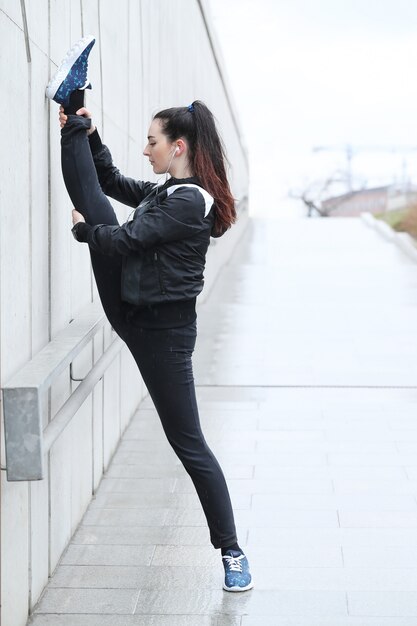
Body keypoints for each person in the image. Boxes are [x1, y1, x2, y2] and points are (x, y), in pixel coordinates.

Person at [45, 35, 253, 592]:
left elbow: (123, 240)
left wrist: (86, 231)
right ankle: (72, 107)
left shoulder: (191, 202)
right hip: (133, 305)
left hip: (161, 332)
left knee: (188, 443)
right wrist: (93, 135)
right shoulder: (171, 192)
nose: (148, 150)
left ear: (179, 146)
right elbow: (112, 181)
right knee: (98, 197)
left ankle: (231, 551)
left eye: (153, 141)